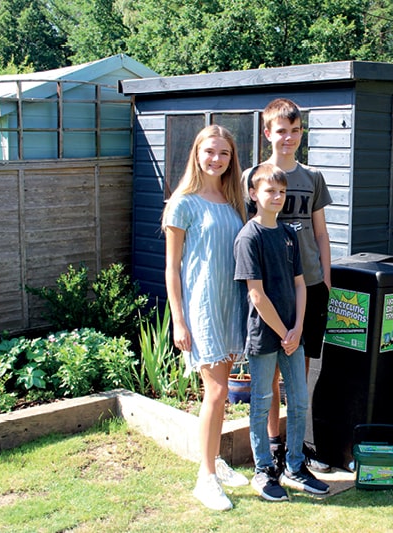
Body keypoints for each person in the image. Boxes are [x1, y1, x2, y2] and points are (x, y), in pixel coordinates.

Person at [242, 97, 332, 474]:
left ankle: (302, 445)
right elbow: (249, 232)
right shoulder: (254, 177)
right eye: (282, 131)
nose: (289, 138)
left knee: (303, 370)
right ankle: (275, 445)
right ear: (267, 133)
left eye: (296, 131)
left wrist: (326, 277)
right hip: (272, 290)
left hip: (308, 285)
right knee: (273, 372)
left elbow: (321, 232)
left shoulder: (312, 178)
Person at [162, 125, 250, 511]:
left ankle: (214, 461)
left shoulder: (233, 201)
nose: (216, 159)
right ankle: (206, 478)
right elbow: (172, 269)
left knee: (223, 391)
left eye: (224, 154)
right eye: (210, 152)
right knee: (214, 393)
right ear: (197, 153)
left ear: (232, 160)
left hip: (232, 304)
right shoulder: (182, 203)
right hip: (203, 310)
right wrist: (179, 321)